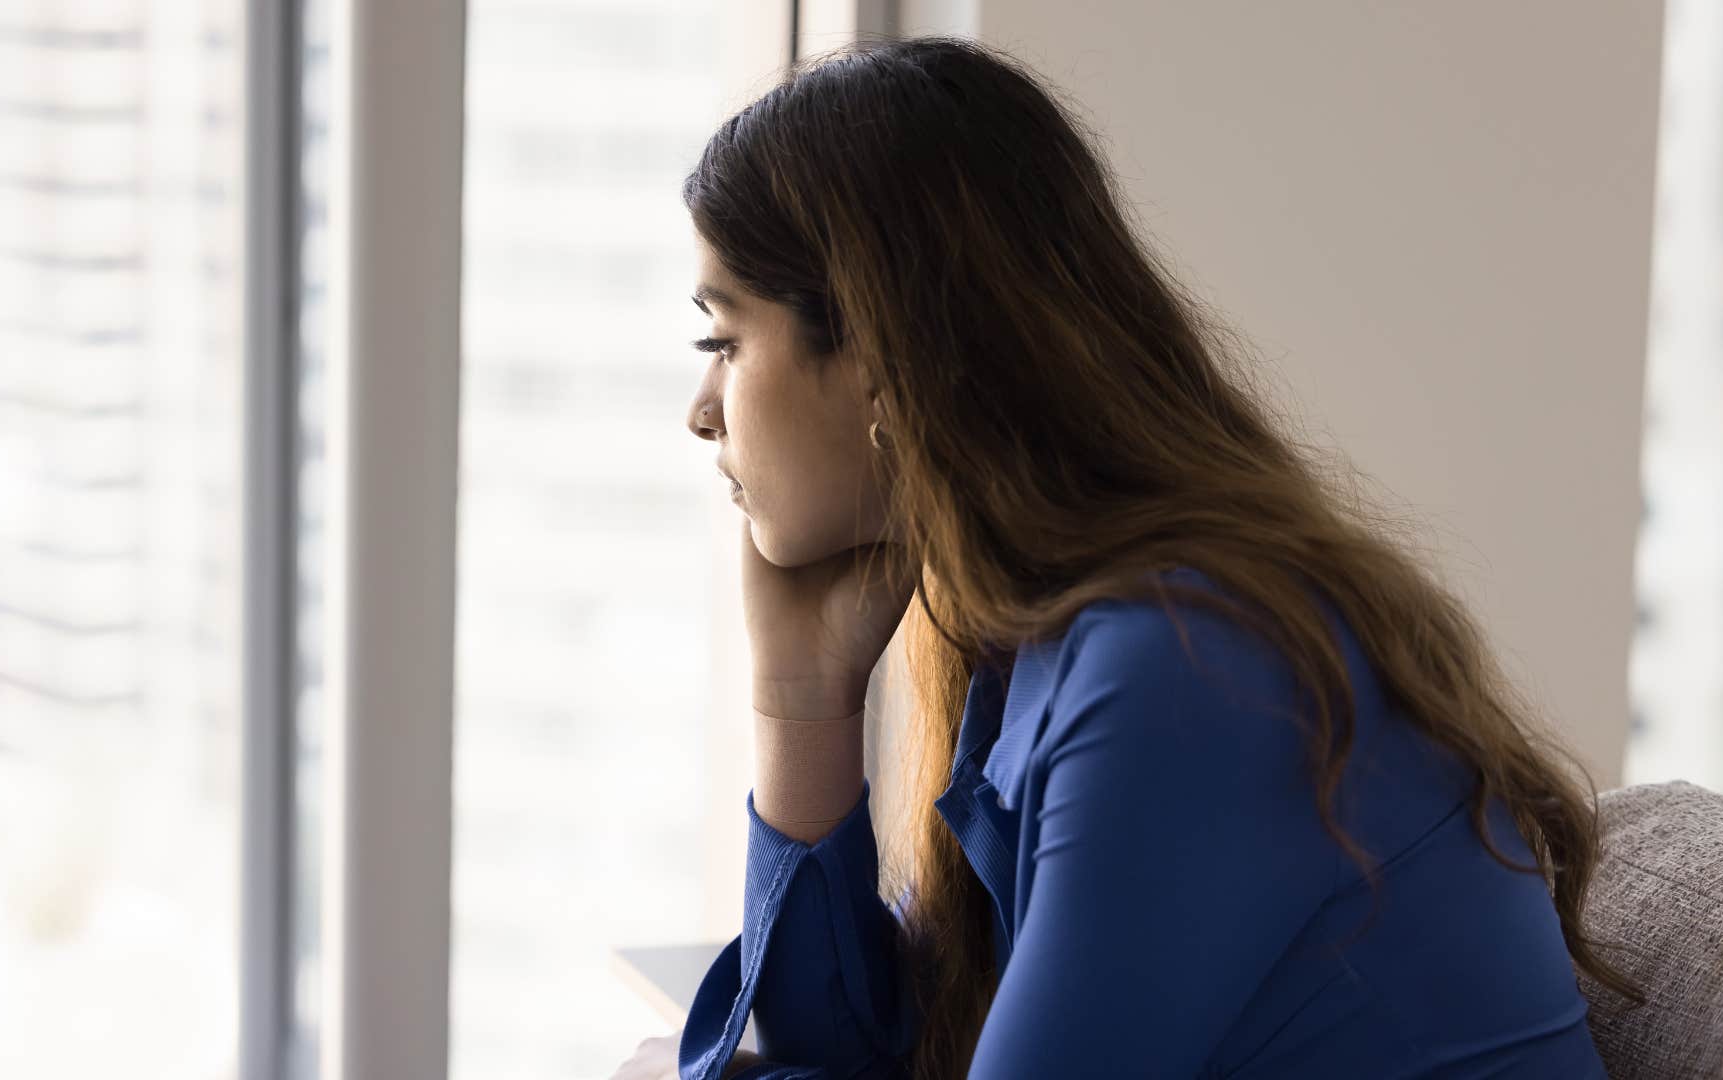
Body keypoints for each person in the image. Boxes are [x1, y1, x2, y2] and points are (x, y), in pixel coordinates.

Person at [612, 35, 1642, 1080]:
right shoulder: (1048, 644)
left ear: (878, 351)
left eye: (724, 342)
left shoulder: (1186, 665)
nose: (703, 411)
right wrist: (800, 699)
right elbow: (853, 1052)